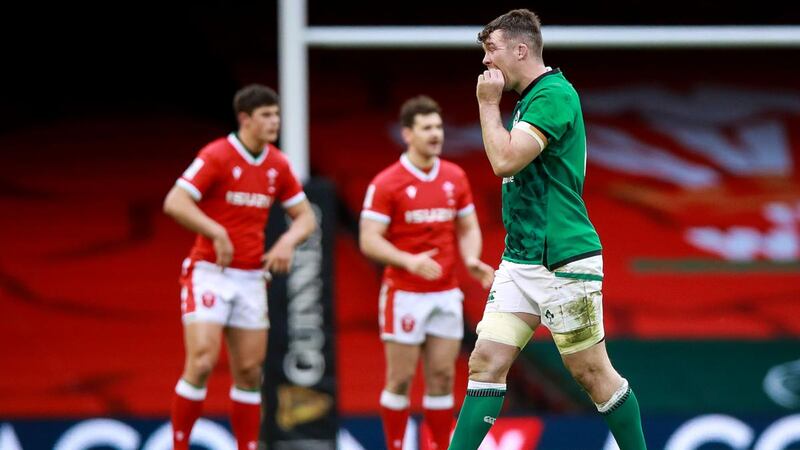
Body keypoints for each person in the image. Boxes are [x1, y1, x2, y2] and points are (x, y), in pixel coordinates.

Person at [447, 9, 647, 450]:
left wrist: (485, 104)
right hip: (520, 260)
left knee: (592, 374)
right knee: (485, 361)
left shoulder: (555, 95)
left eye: (491, 50)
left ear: (521, 50)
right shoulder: (529, 98)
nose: (485, 61)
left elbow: (504, 161)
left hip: (563, 261)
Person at [163, 84, 316, 450]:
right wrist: (214, 230)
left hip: (250, 277)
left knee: (249, 371)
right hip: (209, 272)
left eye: (276, 114)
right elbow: (176, 201)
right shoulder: (217, 155)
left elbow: (306, 217)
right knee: (201, 361)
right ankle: (179, 444)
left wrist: (285, 242)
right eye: (266, 115)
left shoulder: (277, 164)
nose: (274, 122)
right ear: (245, 119)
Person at [359, 95, 495, 450]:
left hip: (445, 293)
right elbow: (369, 240)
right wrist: (408, 260)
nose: (436, 134)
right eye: (427, 128)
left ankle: (439, 445)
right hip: (404, 294)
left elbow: (467, 227)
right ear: (408, 134)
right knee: (401, 379)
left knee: (442, 375)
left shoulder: (454, 177)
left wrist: (471, 259)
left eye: (438, 127)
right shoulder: (387, 183)